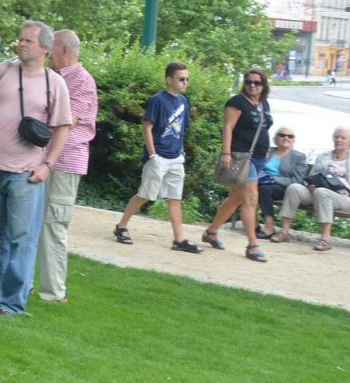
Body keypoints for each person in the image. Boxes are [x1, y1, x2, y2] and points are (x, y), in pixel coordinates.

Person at [0, 21, 73, 317]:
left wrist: (48, 165)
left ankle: (12, 303)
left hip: (26, 174)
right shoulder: (4, 71)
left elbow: (63, 128)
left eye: (28, 41)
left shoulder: (54, 83)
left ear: (45, 48)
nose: (21, 44)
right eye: (20, 39)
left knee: (21, 239)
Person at [36, 29, 95, 304]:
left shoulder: (81, 80)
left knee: (53, 224)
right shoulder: (54, 76)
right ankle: (31, 284)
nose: (46, 52)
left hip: (65, 162)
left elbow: (66, 120)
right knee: (37, 222)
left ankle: (53, 292)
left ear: (63, 50)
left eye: (50, 46)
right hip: (44, 160)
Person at [113, 62, 194, 250]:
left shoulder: (183, 102)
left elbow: (181, 130)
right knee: (145, 195)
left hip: (176, 157)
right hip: (158, 156)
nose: (185, 82)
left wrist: (181, 151)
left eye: (187, 79)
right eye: (181, 79)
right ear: (169, 79)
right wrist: (153, 155)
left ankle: (179, 240)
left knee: (175, 197)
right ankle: (121, 226)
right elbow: (147, 127)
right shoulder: (158, 100)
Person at [199, 68, 273, 262]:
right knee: (251, 199)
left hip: (259, 156)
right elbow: (228, 127)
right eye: (248, 82)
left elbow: (264, 128)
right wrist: (226, 153)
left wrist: (266, 148)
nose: (252, 85)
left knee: (236, 198)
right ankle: (252, 245)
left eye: (257, 82)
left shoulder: (264, 103)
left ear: (264, 85)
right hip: (241, 156)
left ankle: (212, 232)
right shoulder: (236, 102)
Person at [277, 127, 350, 251]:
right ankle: (284, 232)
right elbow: (312, 176)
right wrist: (310, 184)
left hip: (344, 197)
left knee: (322, 192)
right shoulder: (323, 156)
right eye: (336, 137)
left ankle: (325, 239)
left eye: (343, 138)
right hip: (318, 192)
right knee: (294, 188)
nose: (338, 140)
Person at [255, 126, 308, 240]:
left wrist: (271, 178)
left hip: (284, 188)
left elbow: (297, 181)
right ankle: (253, 223)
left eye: (290, 136)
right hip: (261, 183)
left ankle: (269, 225)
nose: (286, 138)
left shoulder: (299, 157)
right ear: (276, 138)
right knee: (249, 187)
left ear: (293, 140)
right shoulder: (269, 151)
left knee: (264, 188)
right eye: (282, 135)